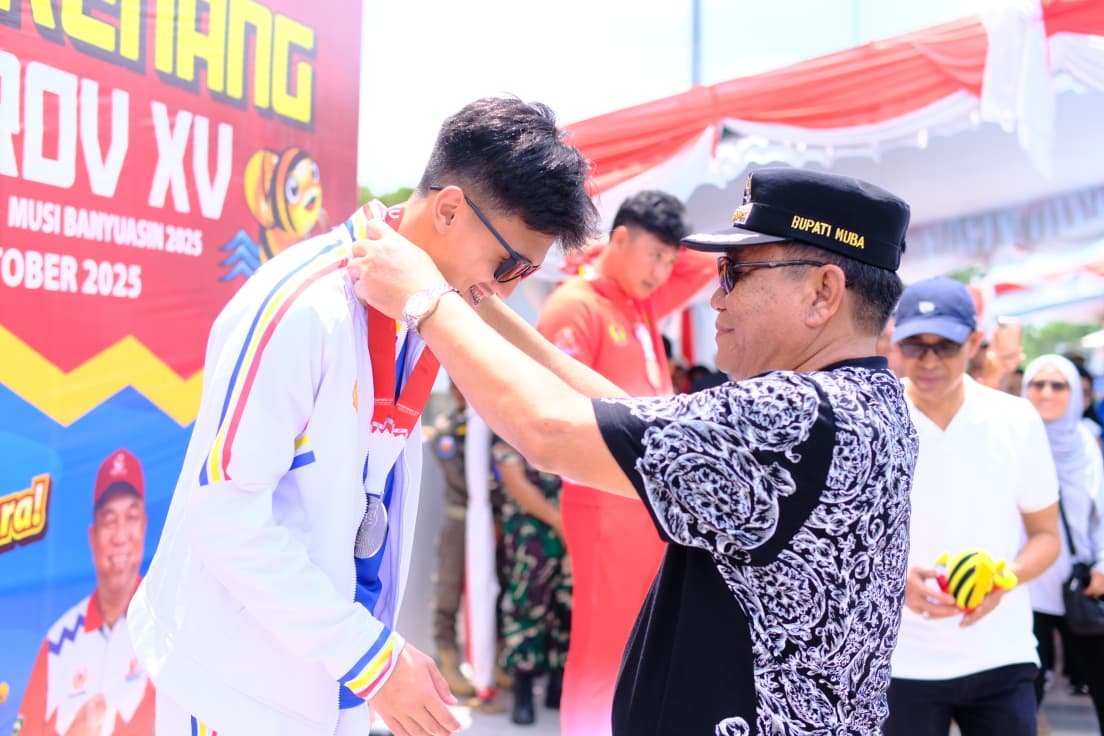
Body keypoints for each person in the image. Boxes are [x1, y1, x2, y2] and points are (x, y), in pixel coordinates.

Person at [349, 166, 919, 734]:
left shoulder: (796, 413)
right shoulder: (875, 402)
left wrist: (425, 300)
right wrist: (478, 305)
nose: (717, 298)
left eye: (736, 273)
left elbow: (550, 431)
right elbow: (632, 417)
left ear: (822, 293)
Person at [126, 96, 598, 736]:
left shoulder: (420, 312)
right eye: (509, 265)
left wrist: (363, 659)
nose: (508, 290)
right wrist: (370, 658)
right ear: (450, 209)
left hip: (330, 682)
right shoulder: (304, 305)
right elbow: (224, 513)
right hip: (236, 691)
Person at [534, 189, 714, 735]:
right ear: (618, 239)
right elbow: (552, 410)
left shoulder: (637, 302)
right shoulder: (577, 305)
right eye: (653, 255)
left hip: (647, 503)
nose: (661, 272)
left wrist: (670, 249)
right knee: (602, 647)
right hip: (603, 503)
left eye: (668, 259)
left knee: (640, 643)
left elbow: (706, 265)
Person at [885, 277, 1060, 736]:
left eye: (944, 345)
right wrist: (895, 583)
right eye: (915, 345)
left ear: (974, 341)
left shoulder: (1016, 419)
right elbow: (841, 543)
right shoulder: (875, 422)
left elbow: (1047, 537)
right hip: (900, 659)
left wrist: (1004, 579)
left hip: (1001, 654)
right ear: (895, 341)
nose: (929, 360)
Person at [17, 449, 154, 736]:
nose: (120, 536)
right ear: (93, 537)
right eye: (109, 521)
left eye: (131, 517)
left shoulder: (167, 623)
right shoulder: (58, 643)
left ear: (144, 526)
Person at [1022, 354, 1104, 727]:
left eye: (1059, 385)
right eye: (1038, 384)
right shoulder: (1012, 438)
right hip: (1024, 587)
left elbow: (1100, 509)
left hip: (1081, 585)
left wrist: (1102, 564)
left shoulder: (1086, 442)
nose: (1047, 393)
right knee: (1022, 699)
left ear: (1075, 394)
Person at [491, 437, 571, 726]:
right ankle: (523, 691)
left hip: (572, 531)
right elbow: (516, 483)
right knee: (527, 609)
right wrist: (559, 521)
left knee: (568, 606)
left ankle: (557, 684)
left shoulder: (571, 427)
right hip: (531, 537)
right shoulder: (514, 430)